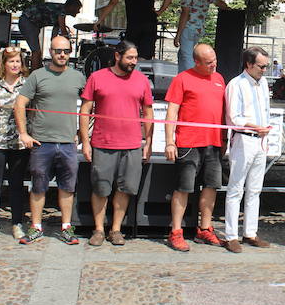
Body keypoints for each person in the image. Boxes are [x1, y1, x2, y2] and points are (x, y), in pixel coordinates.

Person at [79, 40, 154, 246]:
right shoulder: (97, 77)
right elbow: (85, 110)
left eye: (136, 58)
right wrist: (85, 142)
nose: (134, 62)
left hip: (131, 145)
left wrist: (148, 142)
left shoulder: (141, 80)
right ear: (117, 56)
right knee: (101, 188)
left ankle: (116, 229)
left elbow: (148, 112)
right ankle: (98, 229)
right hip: (103, 143)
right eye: (130, 57)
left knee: (125, 189)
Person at [15, 35, 86, 245]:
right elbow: (20, 104)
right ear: (50, 52)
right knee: (38, 186)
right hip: (41, 142)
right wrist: (23, 133)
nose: (62, 54)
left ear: (70, 52)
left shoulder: (78, 77)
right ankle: (36, 227)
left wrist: (83, 132)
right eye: (57, 51)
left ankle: (66, 228)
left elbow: (90, 105)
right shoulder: (37, 76)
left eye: (65, 51)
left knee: (67, 188)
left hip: (67, 142)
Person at [164, 43, 227, 251]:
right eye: (208, 63)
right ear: (196, 62)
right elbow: (171, 112)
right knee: (183, 187)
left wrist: (225, 139)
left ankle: (205, 228)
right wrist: (170, 141)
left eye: (215, 60)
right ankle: (175, 231)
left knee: (211, 186)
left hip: (214, 141)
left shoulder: (219, 79)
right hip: (189, 142)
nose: (213, 65)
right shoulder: (182, 79)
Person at [223, 47, 273, 253]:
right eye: (261, 66)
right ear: (249, 64)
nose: (264, 70)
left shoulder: (263, 84)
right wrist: (253, 126)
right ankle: (231, 235)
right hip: (244, 140)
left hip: (260, 140)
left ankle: (250, 232)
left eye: (266, 66)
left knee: (255, 189)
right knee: (236, 188)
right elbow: (234, 117)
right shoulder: (236, 84)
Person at [0, 46, 29, 241]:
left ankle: (17, 222)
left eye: (18, 61)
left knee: (17, 184)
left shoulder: (27, 84)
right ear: (4, 64)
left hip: (18, 142)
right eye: (11, 61)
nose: (15, 65)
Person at [94, 0, 173, 60]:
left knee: (130, 55)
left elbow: (112, 3)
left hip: (133, 24)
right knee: (145, 57)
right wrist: (159, 12)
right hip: (149, 24)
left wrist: (100, 20)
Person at [173, 0, 229, 72]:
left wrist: (178, 35)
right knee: (182, 54)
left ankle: (191, 80)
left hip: (188, 28)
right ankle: (181, 77)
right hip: (199, 29)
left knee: (187, 56)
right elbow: (223, 5)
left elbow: (185, 14)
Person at [19, 0, 82, 71]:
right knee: (36, 51)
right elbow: (63, 30)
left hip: (30, 23)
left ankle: (38, 72)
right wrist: (68, 45)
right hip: (28, 21)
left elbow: (54, 37)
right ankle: (34, 75)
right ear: (71, 6)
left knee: (38, 52)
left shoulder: (58, 11)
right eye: (78, 8)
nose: (78, 12)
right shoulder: (61, 11)